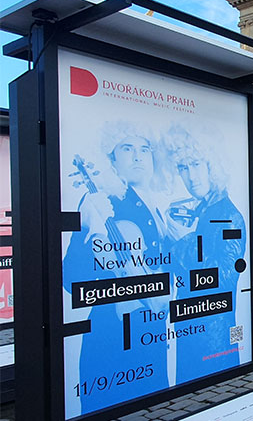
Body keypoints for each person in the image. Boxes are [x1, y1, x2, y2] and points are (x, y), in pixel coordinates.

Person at [63, 122, 170, 415]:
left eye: (144, 149)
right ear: (112, 159)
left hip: (150, 331)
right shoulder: (101, 203)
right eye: (127, 148)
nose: (138, 157)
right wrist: (87, 229)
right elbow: (73, 279)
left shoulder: (154, 204)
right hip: (112, 334)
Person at [164, 124, 246, 383]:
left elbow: (225, 277)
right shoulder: (203, 209)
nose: (191, 176)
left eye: (196, 164)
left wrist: (180, 242)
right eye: (183, 168)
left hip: (213, 334)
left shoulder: (228, 215)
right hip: (194, 325)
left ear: (213, 165)